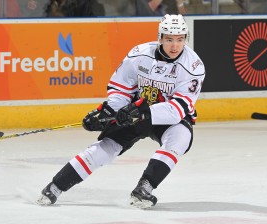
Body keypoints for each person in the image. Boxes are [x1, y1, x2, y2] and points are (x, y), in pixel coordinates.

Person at [36, 14, 206, 209]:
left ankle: (144, 188)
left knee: (180, 139)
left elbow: (178, 109)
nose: (175, 45)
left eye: (180, 39)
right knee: (107, 146)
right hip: (135, 111)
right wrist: (109, 110)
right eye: (169, 39)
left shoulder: (193, 66)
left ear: (186, 39)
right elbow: (121, 88)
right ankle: (55, 186)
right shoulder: (140, 54)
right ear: (160, 38)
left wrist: (143, 113)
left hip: (165, 118)